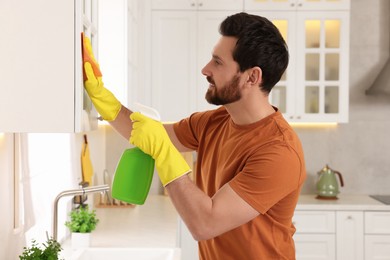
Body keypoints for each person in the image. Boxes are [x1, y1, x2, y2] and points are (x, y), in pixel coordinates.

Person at [83, 12, 306, 260]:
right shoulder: (214, 121)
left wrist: (164, 151)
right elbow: (147, 136)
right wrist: (101, 97)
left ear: (252, 77)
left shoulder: (278, 151)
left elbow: (205, 223)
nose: (205, 69)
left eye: (218, 62)